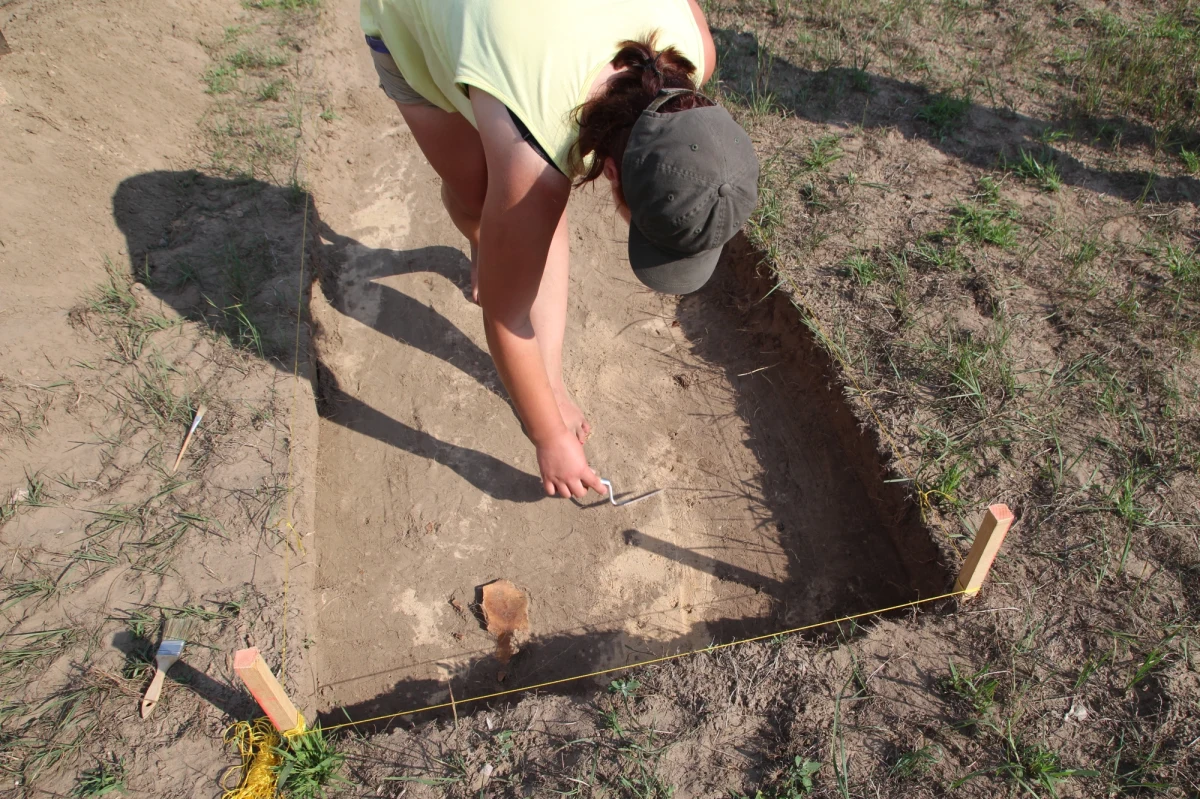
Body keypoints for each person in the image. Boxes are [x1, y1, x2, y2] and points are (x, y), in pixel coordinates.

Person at [360, 0, 760, 500]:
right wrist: (546, 435)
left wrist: (548, 393)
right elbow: (506, 319)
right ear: (611, 172)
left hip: (516, 35)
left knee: (527, 208)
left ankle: (540, 356)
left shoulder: (695, 47)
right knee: (478, 194)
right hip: (414, 17)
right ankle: (485, 239)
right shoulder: (536, 150)